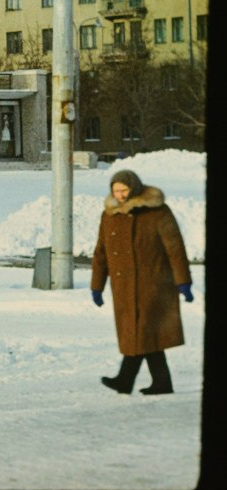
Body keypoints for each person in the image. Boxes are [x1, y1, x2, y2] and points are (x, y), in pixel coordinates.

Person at [91, 167, 193, 396]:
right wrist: (97, 285)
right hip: (123, 287)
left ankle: (126, 380)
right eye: (116, 191)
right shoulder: (109, 215)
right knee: (141, 332)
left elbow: (175, 248)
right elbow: (101, 252)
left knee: (142, 330)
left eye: (124, 190)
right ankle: (156, 383)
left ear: (134, 188)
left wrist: (183, 281)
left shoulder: (156, 211)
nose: (120, 195)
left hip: (154, 284)